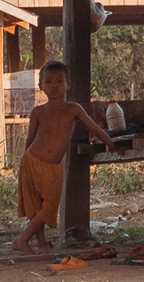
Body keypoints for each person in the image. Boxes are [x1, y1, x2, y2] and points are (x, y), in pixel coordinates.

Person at [11, 61, 113, 255]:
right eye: (48, 82)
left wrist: (111, 143)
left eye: (59, 81)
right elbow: (30, 140)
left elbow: (94, 127)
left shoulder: (73, 109)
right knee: (36, 207)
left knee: (49, 207)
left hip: (53, 167)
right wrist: (23, 165)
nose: (54, 86)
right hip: (31, 161)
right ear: (41, 86)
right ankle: (40, 245)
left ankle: (22, 239)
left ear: (69, 84)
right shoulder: (38, 111)